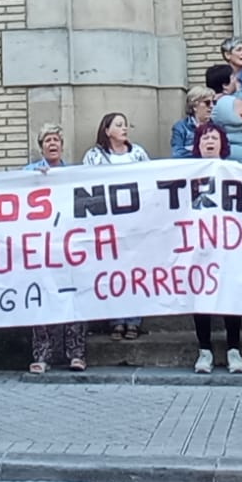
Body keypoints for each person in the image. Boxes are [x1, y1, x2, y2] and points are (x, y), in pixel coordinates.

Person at [25, 124, 86, 374]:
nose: (52, 144)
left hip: (69, 246)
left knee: (75, 300)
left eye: (56, 140)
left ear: (62, 145)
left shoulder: (73, 173)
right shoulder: (28, 173)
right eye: (48, 140)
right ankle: (42, 355)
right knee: (43, 300)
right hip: (41, 247)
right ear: (41, 147)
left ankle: (77, 355)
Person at [85, 113, 152, 338]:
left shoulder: (138, 154)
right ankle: (116, 320)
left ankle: (134, 320)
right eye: (119, 125)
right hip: (108, 225)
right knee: (112, 271)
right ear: (107, 130)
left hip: (134, 224)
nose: (124, 129)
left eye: (126, 125)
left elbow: (150, 183)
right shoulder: (94, 156)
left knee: (134, 271)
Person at [189, 123, 242, 374]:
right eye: (204, 138)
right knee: (201, 297)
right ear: (198, 145)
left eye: (214, 137)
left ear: (223, 144)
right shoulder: (185, 173)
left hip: (228, 244)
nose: (209, 141)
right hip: (197, 245)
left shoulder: (236, 172)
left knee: (230, 297)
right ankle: (205, 351)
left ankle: (234, 349)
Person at [204, 64, 242, 163]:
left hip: (213, 154)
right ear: (225, 85)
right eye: (233, 78)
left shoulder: (205, 103)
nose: (236, 80)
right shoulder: (236, 103)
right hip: (239, 156)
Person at [169, 87, 216, 158]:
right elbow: (176, 154)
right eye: (207, 103)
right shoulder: (181, 127)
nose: (212, 106)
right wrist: (201, 151)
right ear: (195, 106)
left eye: (214, 102)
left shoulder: (216, 127)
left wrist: (190, 149)